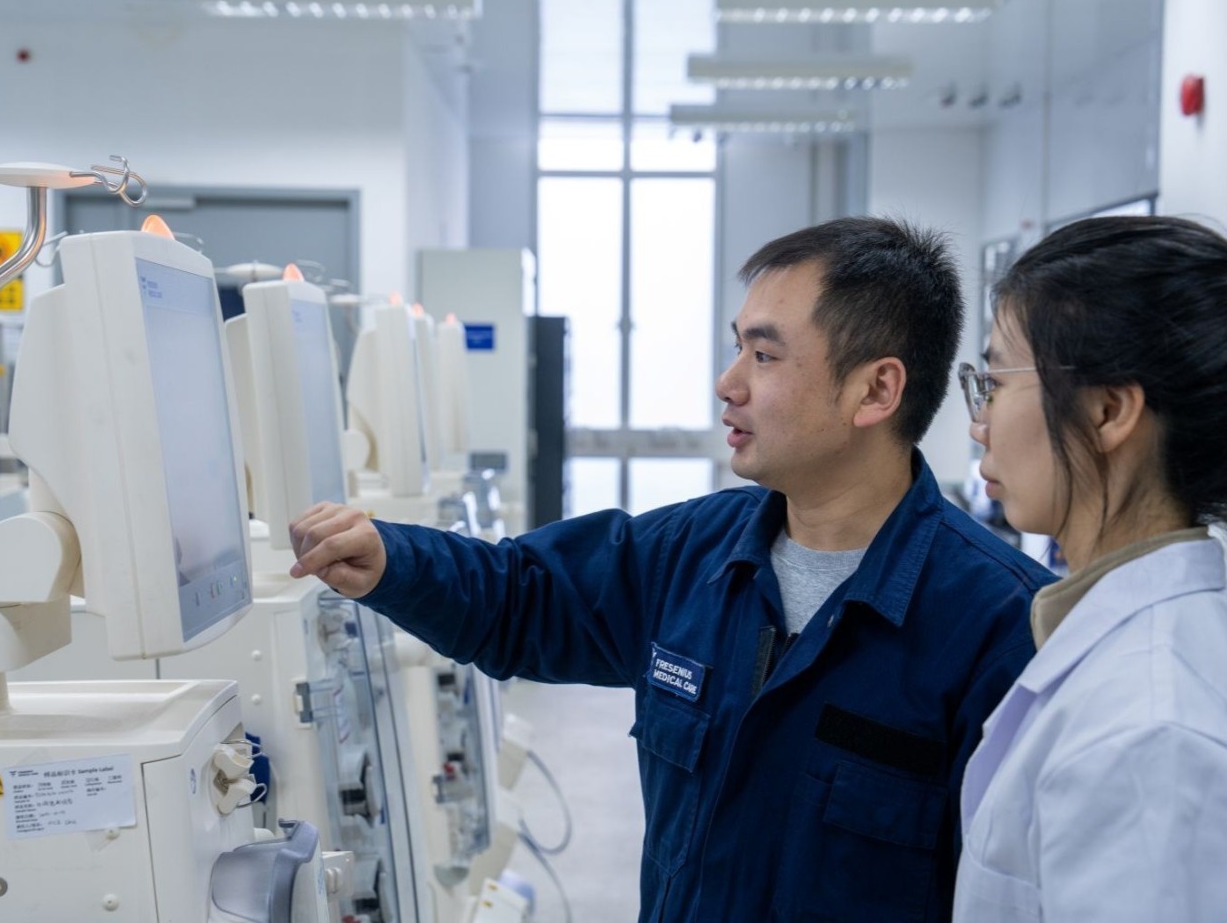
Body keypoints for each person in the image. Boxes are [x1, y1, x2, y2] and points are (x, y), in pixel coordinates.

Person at [291, 216, 1053, 922]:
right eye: (736, 348)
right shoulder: (692, 557)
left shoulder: (1000, 626)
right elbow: (520, 597)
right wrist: (393, 558)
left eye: (764, 354)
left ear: (876, 389)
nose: (729, 383)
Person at [953, 215, 1227, 922]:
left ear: (1108, 410)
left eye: (996, 381)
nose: (978, 424)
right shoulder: (1132, 655)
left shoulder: (1149, 731)